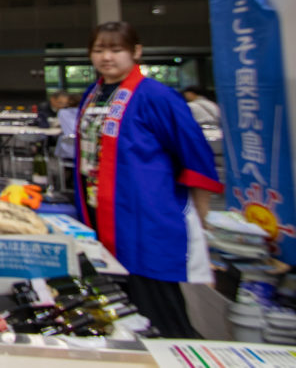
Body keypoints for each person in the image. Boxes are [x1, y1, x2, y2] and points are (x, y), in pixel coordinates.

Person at [75, 22, 222, 338]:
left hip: (143, 215)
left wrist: (202, 217)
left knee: (156, 301)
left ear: (136, 51)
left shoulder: (157, 95)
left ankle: (178, 349)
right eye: (99, 50)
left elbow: (195, 155)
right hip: (100, 209)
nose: (107, 57)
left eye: (116, 50)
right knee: (118, 298)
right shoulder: (94, 94)